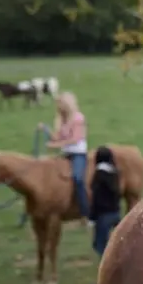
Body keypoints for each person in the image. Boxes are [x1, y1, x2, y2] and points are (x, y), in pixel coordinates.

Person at [39, 91, 90, 223]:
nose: (58, 108)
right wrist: (46, 129)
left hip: (78, 153)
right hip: (65, 153)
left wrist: (56, 145)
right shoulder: (61, 119)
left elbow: (75, 139)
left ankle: (86, 212)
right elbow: (57, 137)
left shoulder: (78, 118)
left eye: (60, 104)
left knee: (77, 178)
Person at [89, 146, 121, 258]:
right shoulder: (115, 173)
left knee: (100, 245)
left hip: (103, 215)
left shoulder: (98, 175)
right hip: (116, 213)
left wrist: (92, 217)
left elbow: (96, 198)